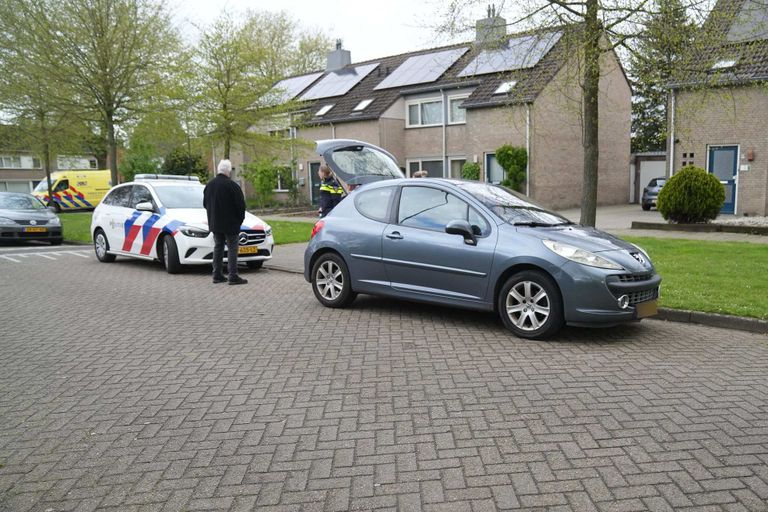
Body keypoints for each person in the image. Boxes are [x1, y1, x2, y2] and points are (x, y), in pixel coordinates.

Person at [203, 159, 248, 285]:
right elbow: (241, 206)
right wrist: (239, 220)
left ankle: (217, 274)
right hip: (231, 223)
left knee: (218, 247)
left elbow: (205, 204)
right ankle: (233, 275)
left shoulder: (209, 185)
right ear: (228, 171)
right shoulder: (232, 186)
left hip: (215, 223)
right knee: (233, 248)